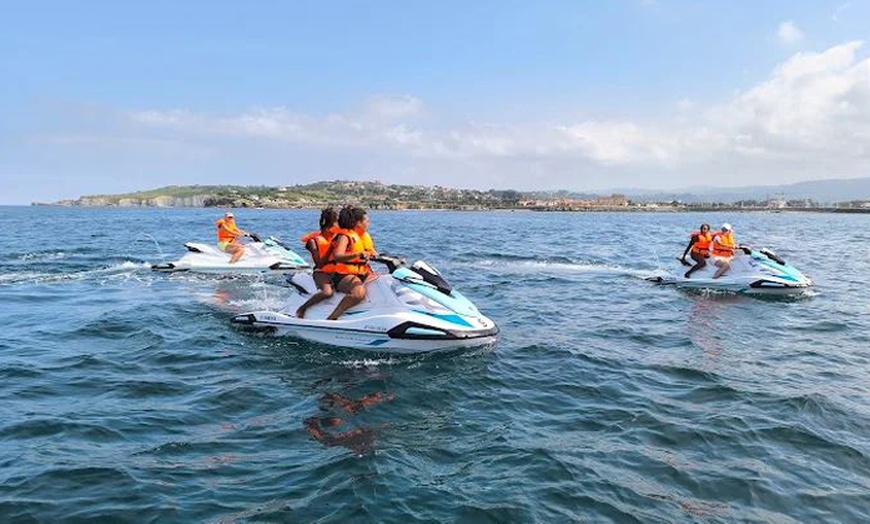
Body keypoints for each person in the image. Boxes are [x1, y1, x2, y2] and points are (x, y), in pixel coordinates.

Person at [325, 206, 375, 320]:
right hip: (343, 276)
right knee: (359, 293)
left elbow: (373, 253)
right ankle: (332, 318)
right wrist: (357, 255)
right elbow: (337, 256)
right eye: (367, 221)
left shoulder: (363, 237)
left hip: (362, 273)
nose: (369, 223)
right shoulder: (345, 237)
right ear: (358, 223)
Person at [296, 207, 340, 318]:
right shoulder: (313, 241)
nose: (339, 226)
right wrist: (331, 248)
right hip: (321, 272)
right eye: (336, 223)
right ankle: (303, 308)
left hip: (338, 270)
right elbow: (319, 263)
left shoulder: (340, 238)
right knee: (327, 293)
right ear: (328, 224)